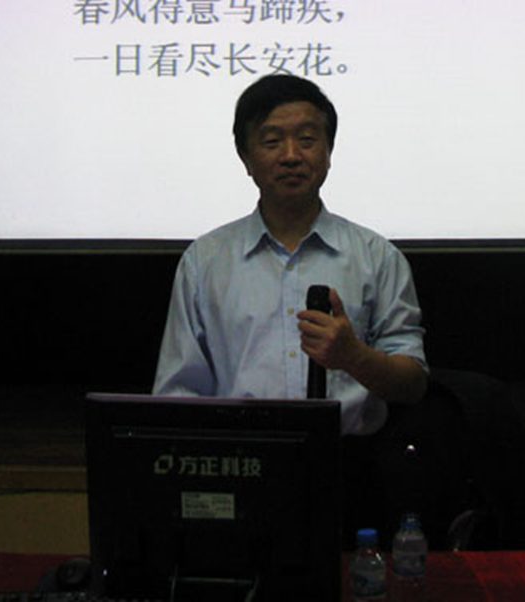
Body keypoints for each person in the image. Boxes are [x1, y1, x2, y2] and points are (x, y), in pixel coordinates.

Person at [153, 74, 428, 437]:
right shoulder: (205, 262)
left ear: (329, 152)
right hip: (241, 455)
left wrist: (354, 357)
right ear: (245, 158)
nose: (291, 156)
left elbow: (413, 384)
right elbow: (178, 393)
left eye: (307, 140)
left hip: (350, 457)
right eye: (272, 141)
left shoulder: (377, 257)